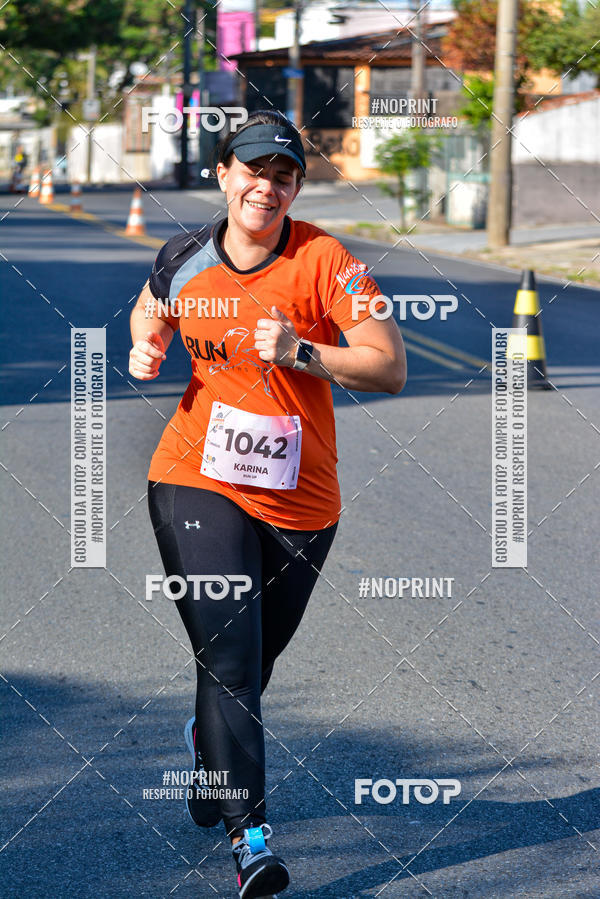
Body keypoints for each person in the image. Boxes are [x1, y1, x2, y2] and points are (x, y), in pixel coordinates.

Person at [129, 109, 406, 898]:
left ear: (295, 188)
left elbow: (389, 366)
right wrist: (146, 341)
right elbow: (151, 303)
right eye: (254, 170)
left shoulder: (327, 261)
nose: (268, 186)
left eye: (284, 175)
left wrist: (301, 351)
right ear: (223, 174)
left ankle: (209, 751)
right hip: (195, 475)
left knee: (253, 663)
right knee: (229, 659)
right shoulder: (184, 255)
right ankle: (251, 840)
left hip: (301, 501)